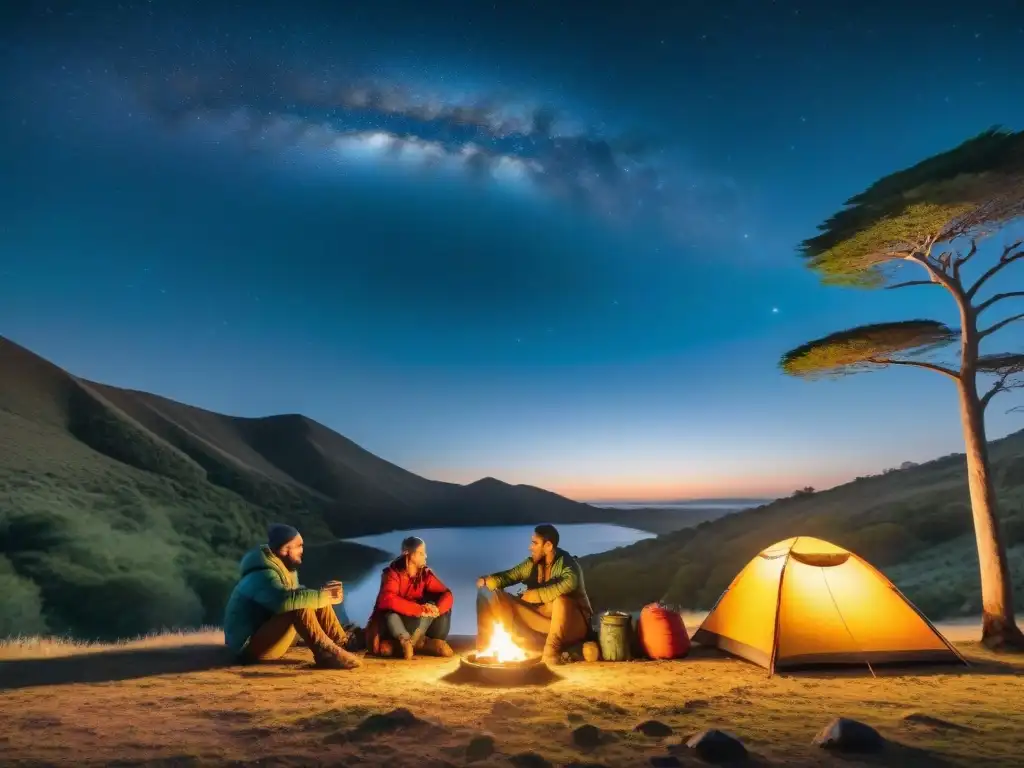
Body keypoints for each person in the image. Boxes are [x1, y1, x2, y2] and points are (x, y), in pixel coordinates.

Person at [223, 523, 361, 669]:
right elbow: (283, 601)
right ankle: (326, 653)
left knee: (311, 599)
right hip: (249, 647)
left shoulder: (284, 570)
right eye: (299, 546)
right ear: (284, 549)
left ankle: (342, 642)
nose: (302, 550)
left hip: (268, 636)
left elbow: (298, 595)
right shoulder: (262, 574)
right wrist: (325, 596)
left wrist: (323, 595)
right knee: (299, 605)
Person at [476, 523, 593, 664]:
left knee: (562, 601)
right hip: (542, 620)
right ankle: (487, 647)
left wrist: (536, 595)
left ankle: (551, 653)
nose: (530, 547)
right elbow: (511, 575)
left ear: (548, 546)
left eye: (535, 543)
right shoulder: (533, 563)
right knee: (496, 596)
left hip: (572, 625)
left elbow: (569, 583)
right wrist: (488, 581)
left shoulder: (568, 564)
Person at [365, 536, 455, 660]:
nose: (426, 556)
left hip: (419, 623)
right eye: (421, 553)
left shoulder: (425, 574)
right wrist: (420, 609)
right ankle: (418, 643)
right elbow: (388, 599)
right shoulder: (393, 573)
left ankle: (414, 643)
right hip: (402, 623)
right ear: (408, 554)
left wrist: (436, 609)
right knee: (391, 614)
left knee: (444, 609)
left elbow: (447, 594)